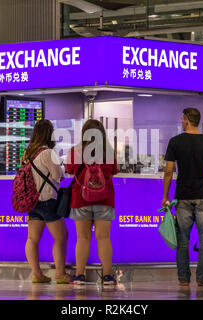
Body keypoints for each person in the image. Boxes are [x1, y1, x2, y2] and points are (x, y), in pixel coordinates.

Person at [162, 108, 203, 287]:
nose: (181, 121)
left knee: (183, 239)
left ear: (187, 120)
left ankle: (183, 278)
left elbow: (168, 171)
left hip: (183, 196)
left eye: (182, 118)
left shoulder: (175, 142)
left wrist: (165, 196)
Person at [66, 119, 118, 286]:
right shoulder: (109, 152)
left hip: (80, 198)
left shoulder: (75, 151)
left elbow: (69, 170)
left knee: (82, 237)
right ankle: (108, 276)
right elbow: (114, 171)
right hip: (105, 198)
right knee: (103, 238)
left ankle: (79, 275)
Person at [21, 119, 71, 284]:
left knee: (32, 239)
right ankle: (60, 273)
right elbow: (58, 175)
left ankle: (36, 274)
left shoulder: (27, 153)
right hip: (48, 200)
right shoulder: (49, 153)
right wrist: (62, 165)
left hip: (32, 201)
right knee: (62, 236)